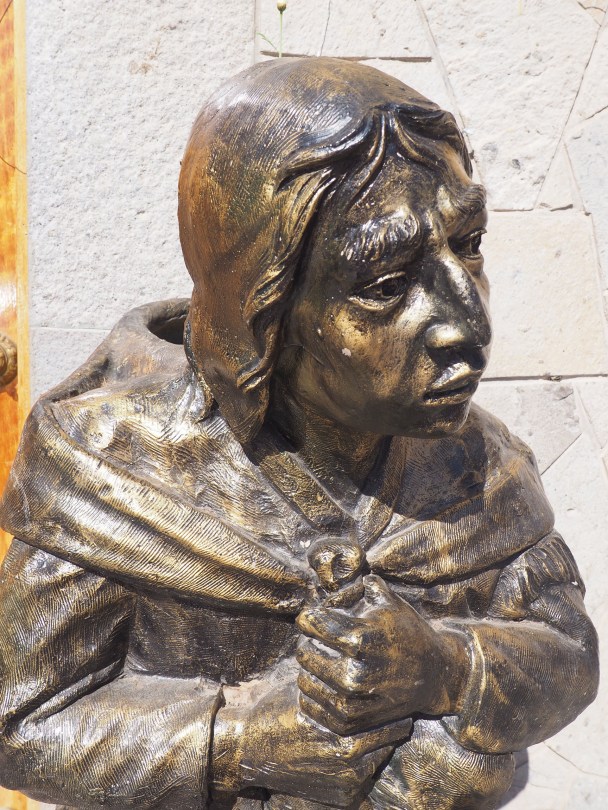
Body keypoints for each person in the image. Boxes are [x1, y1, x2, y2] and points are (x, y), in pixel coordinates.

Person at [0, 57, 598, 810]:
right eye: (386, 285)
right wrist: (239, 740)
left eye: (468, 243)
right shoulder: (113, 474)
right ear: (264, 311)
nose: (468, 323)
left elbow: (569, 657)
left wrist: (446, 666)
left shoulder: (478, 467)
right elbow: (19, 723)